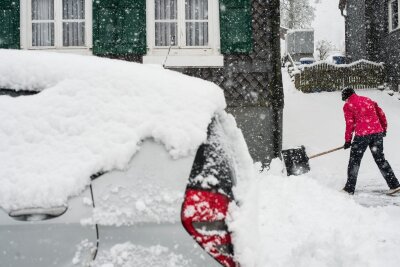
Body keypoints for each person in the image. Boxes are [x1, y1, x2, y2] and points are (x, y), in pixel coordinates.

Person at [341, 87, 400, 195]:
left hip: (362, 136)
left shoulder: (348, 105)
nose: (345, 101)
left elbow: (350, 124)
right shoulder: (367, 100)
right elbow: (381, 114)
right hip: (377, 133)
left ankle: (349, 189)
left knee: (355, 161)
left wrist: (348, 140)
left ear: (346, 97)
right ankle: (394, 185)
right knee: (381, 160)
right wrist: (383, 129)